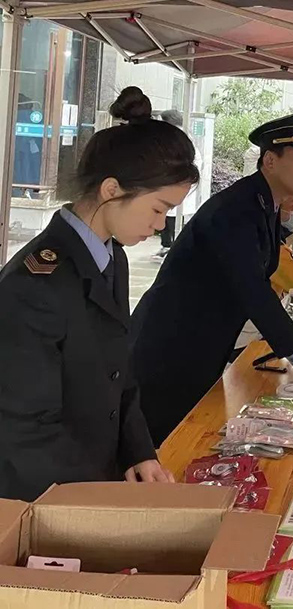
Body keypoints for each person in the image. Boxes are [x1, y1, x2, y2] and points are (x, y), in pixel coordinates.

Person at [0, 87, 187, 501]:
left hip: (92, 479)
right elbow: (25, 429)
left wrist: (139, 452)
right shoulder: (35, 284)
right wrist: (96, 498)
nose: (160, 225)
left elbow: (117, 373)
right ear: (110, 189)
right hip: (43, 494)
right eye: (158, 209)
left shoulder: (111, 258)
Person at [131, 111, 293, 446]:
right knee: (162, 445)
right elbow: (252, 289)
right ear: (270, 161)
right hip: (170, 349)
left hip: (199, 344)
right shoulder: (237, 210)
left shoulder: (264, 205)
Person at [154, 109, 200, 258]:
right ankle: (167, 245)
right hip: (173, 181)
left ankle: (170, 246)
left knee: (171, 215)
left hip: (177, 181)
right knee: (168, 215)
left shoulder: (178, 136)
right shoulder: (175, 135)